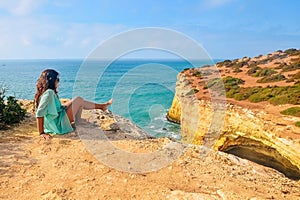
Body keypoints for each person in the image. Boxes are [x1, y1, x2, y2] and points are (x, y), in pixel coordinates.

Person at [34, 69, 113, 140]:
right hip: (58, 123)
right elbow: (39, 113)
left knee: (78, 100)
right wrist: (41, 132)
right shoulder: (49, 93)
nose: (58, 81)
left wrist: (69, 104)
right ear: (51, 80)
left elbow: (56, 108)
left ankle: (83, 118)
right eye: (57, 79)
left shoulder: (47, 92)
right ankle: (101, 107)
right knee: (78, 100)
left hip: (57, 117)